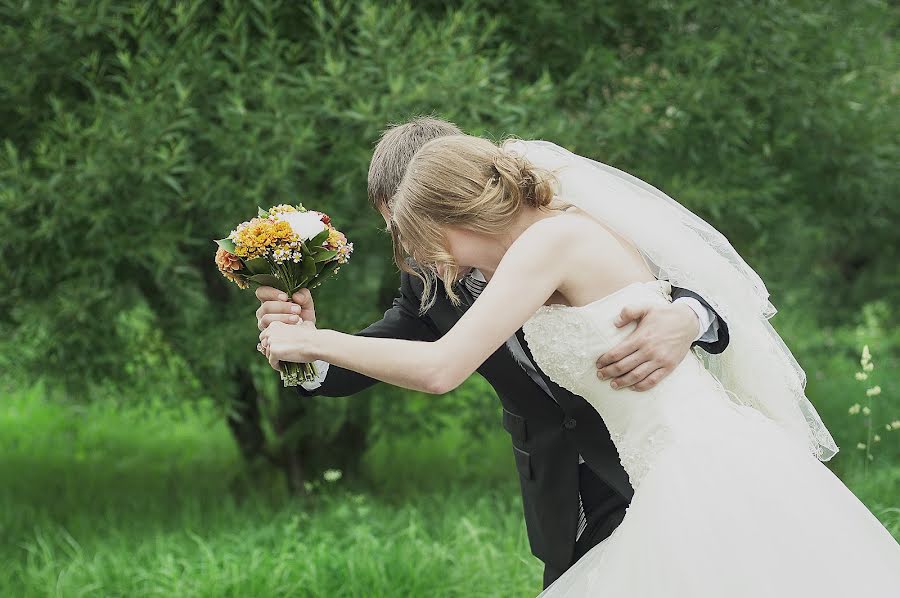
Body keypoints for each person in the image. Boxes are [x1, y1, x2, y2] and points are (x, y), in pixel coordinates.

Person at [260, 133, 900, 596]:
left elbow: (439, 369)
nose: (430, 261)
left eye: (423, 239)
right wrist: (309, 347)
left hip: (686, 469)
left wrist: (313, 340)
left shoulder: (553, 239)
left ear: (452, 209)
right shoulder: (554, 229)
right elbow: (394, 348)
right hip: (606, 485)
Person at [255, 117, 730, 588]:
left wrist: (688, 318)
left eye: (414, 229)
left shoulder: (569, 218)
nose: (415, 250)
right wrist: (304, 349)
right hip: (559, 487)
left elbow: (699, 273)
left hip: (657, 459)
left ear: (455, 198)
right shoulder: (427, 278)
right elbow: (388, 345)